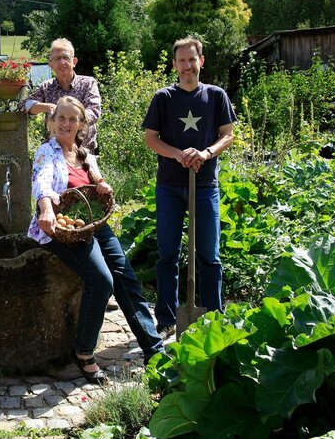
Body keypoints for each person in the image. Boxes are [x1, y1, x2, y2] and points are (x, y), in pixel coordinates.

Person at [29, 96, 164, 384]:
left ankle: (154, 350)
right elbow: (41, 181)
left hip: (93, 225)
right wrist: (46, 209)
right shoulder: (46, 152)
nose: (66, 124)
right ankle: (84, 352)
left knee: (126, 278)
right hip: (61, 229)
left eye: (72, 119)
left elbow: (99, 182)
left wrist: (103, 185)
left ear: (81, 125)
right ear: (52, 122)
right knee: (102, 281)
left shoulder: (85, 155)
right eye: (60, 118)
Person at [142, 37, 236, 339]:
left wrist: (206, 153)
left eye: (191, 60)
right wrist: (179, 155)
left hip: (205, 185)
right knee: (168, 254)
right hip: (169, 186)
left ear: (201, 61)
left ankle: (213, 317)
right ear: (174, 64)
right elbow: (151, 138)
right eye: (181, 61)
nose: (187, 66)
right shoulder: (163, 98)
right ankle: (167, 319)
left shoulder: (216, 96)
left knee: (209, 255)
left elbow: (227, 134)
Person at [23, 38, 102, 152]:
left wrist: (72, 119)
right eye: (57, 59)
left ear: (74, 62)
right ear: (50, 64)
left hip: (84, 150)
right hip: (54, 151)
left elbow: (94, 111)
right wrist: (48, 107)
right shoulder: (46, 87)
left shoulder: (88, 83)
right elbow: (26, 105)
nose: (62, 63)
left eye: (66, 58)